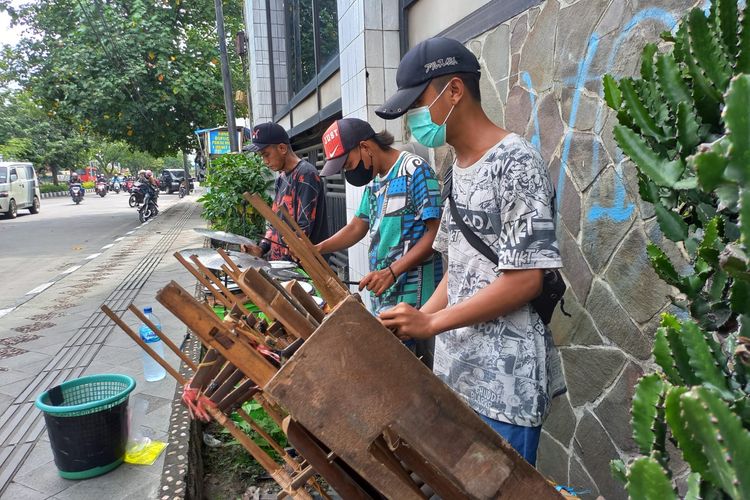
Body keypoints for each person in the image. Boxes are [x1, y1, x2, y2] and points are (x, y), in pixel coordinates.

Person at [377, 37, 565, 467]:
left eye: (417, 105)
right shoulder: (454, 168)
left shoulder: (515, 161)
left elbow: (524, 279)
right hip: (454, 377)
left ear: (455, 91)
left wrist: (431, 321)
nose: (413, 121)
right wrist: (414, 320)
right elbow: (456, 271)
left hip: (505, 388)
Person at [316, 118, 443, 353]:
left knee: (416, 372)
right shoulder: (374, 181)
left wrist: (392, 271)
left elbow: (436, 234)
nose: (348, 171)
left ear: (365, 147)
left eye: (348, 163)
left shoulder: (415, 169)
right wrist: (318, 248)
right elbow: (356, 227)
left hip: (417, 301)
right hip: (386, 297)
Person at [241, 122, 328, 261]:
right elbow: (276, 221)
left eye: (266, 154)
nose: (265, 161)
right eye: (261, 156)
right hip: (282, 265)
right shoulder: (281, 179)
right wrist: (261, 248)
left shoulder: (306, 174)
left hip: (304, 267)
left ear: (282, 148)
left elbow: (303, 230)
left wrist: (283, 266)